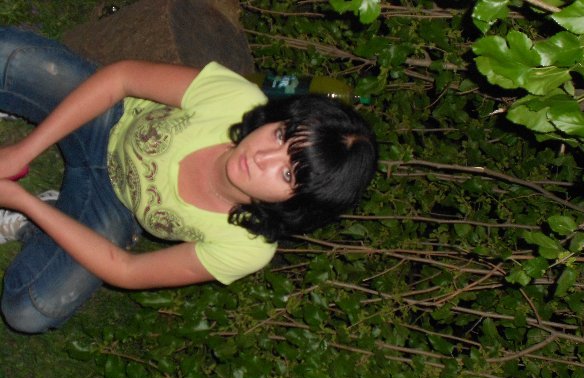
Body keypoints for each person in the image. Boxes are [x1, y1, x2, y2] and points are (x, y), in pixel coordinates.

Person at [0, 27, 378, 334]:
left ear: (297, 203)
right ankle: (35, 108)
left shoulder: (247, 248)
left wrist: (23, 201)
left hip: (114, 207)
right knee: (7, 52)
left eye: (286, 173)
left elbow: (127, 271)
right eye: (280, 136)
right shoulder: (237, 100)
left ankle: (46, 216)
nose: (261, 156)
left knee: (30, 309)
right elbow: (122, 78)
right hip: (107, 118)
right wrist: (24, 152)